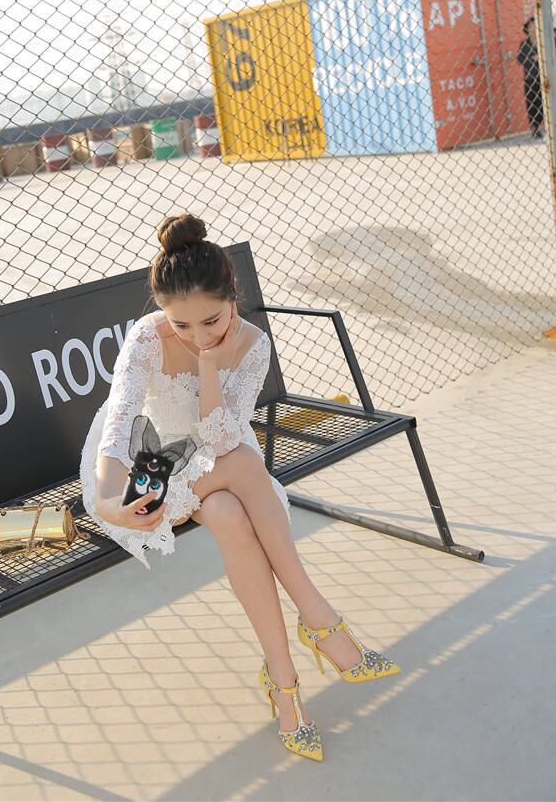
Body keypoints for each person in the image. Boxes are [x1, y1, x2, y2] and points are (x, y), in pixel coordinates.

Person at [80, 213, 400, 762]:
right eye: (182, 325)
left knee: (230, 512)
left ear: (233, 295)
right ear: (162, 312)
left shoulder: (253, 345)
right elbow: (121, 423)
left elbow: (220, 436)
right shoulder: (146, 338)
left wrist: (208, 365)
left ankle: (283, 682)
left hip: (218, 456)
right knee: (244, 468)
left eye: (211, 321)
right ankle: (319, 620)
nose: (198, 336)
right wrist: (110, 502)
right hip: (149, 463)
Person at [517, 17, 556, 137]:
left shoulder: (548, 42)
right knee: (534, 104)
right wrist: (532, 59)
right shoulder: (525, 44)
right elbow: (520, 59)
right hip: (532, 78)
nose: (533, 29)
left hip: (551, 78)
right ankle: (536, 130)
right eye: (531, 27)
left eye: (535, 26)